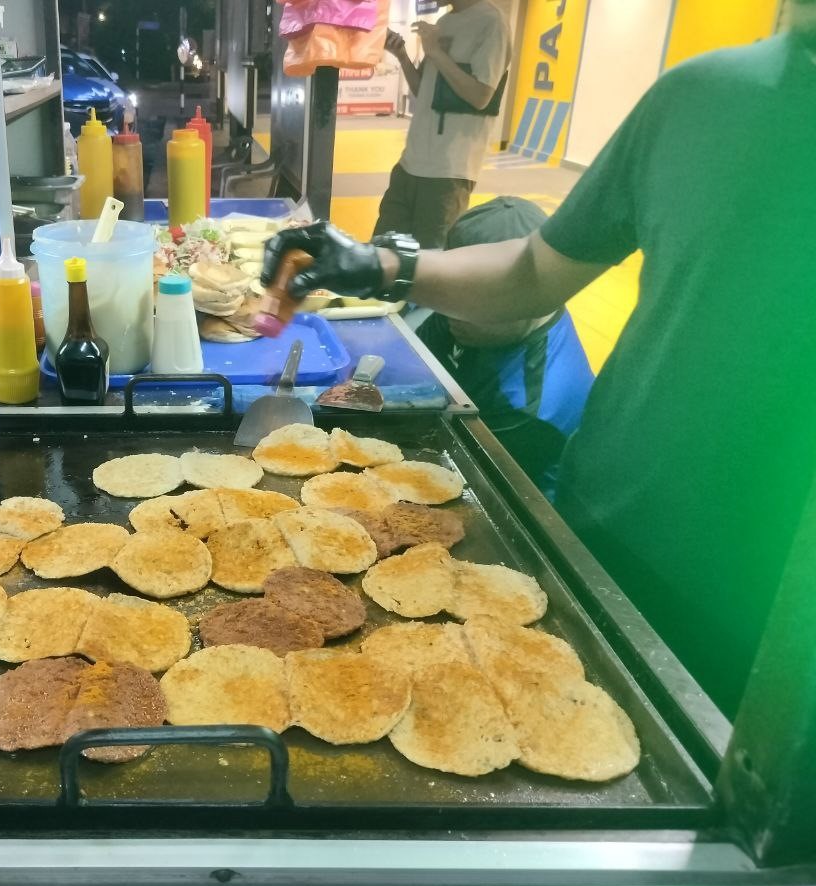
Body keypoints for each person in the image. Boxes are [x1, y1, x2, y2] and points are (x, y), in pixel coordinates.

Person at [261, 13, 816, 719]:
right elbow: (535, 269)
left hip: (773, 622)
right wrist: (379, 265)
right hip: (602, 524)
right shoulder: (698, 97)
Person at [414, 196, 594, 491]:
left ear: (532, 298)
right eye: (452, 289)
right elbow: (415, 363)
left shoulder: (534, 404)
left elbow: (468, 483)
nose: (450, 311)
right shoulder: (470, 318)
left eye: (475, 298)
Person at [374, 0, 511, 247]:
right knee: (382, 250)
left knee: (429, 263)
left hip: (448, 171)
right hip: (410, 163)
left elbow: (481, 96)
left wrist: (436, 51)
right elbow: (423, 90)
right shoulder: (445, 22)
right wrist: (402, 55)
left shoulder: (492, 23)